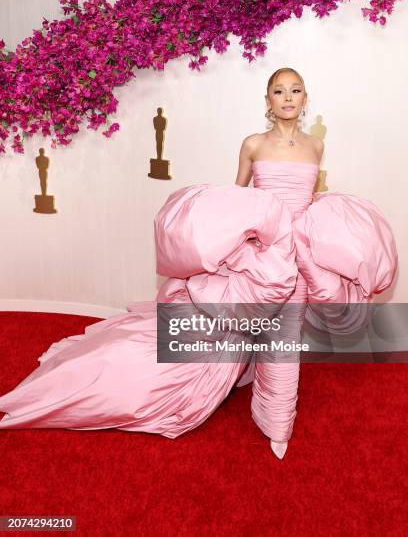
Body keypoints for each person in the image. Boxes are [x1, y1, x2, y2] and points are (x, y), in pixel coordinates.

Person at [0, 68, 398, 461]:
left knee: (283, 337)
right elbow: (237, 195)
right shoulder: (253, 143)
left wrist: (316, 236)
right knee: (242, 327)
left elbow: (308, 197)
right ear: (268, 101)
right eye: (280, 91)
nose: (288, 97)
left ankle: (277, 423)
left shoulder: (315, 146)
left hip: (300, 255)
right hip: (261, 256)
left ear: (305, 99)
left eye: (296, 90)